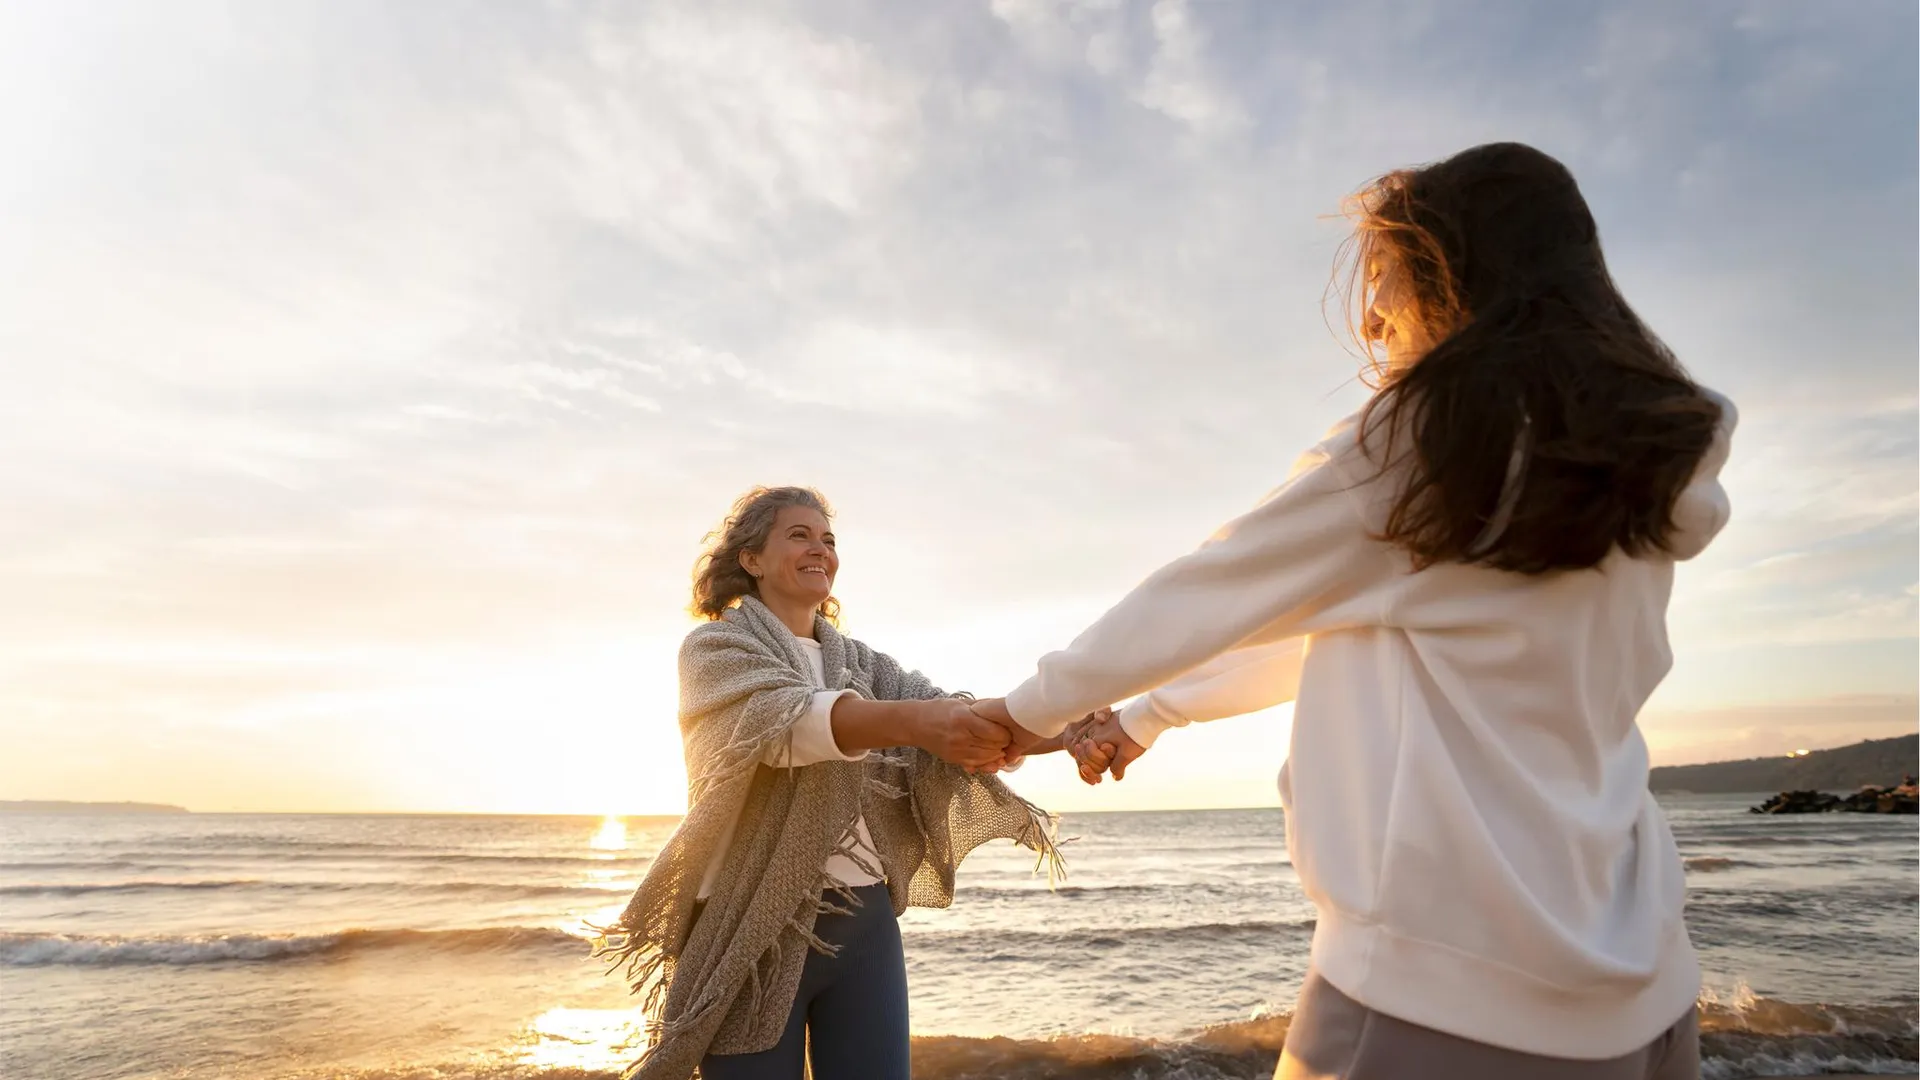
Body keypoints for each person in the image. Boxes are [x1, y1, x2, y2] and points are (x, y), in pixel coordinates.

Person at [971, 142, 1734, 1079]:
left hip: (1446, 994)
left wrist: (1016, 717)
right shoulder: (1632, 466)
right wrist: (1144, 716)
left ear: (1455, 273)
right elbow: (1359, 629)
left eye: (1387, 279)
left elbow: (1213, 587)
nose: (1372, 315)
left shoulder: (1426, 441)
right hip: (1643, 981)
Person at [601, 485, 1082, 1080]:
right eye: (798, 535)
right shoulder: (716, 648)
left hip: (864, 919)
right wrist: (919, 723)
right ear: (750, 559)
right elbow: (783, 726)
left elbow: (951, 712)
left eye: (828, 540)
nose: (820, 549)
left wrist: (1065, 725)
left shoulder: (861, 662)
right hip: (752, 918)